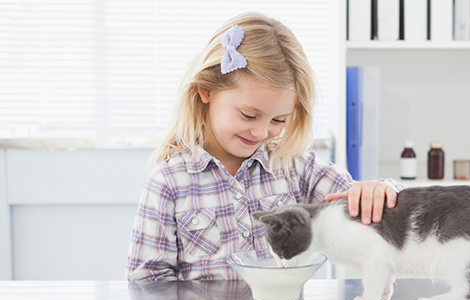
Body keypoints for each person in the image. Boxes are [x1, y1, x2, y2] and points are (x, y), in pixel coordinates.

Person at [126, 12, 403, 281]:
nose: (261, 132)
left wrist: (380, 191)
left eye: (278, 120)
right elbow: (147, 282)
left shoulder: (295, 168)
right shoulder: (169, 182)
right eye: (248, 115)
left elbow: (373, 204)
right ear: (206, 90)